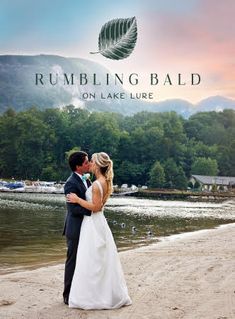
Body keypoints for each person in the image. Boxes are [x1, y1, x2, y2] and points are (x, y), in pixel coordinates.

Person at [66, 152, 132, 310]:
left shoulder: (96, 184)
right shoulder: (103, 181)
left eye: (92, 161)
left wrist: (78, 199)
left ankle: (93, 296)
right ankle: (102, 293)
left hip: (93, 223)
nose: (90, 164)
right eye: (88, 162)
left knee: (92, 259)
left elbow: (96, 207)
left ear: (97, 164)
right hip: (98, 223)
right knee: (99, 259)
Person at [63, 151, 91, 305]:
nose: (88, 164)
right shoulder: (70, 183)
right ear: (78, 166)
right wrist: (92, 210)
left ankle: (81, 291)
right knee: (72, 261)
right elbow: (73, 209)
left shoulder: (86, 180)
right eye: (86, 162)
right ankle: (67, 294)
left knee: (85, 260)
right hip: (75, 228)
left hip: (87, 227)